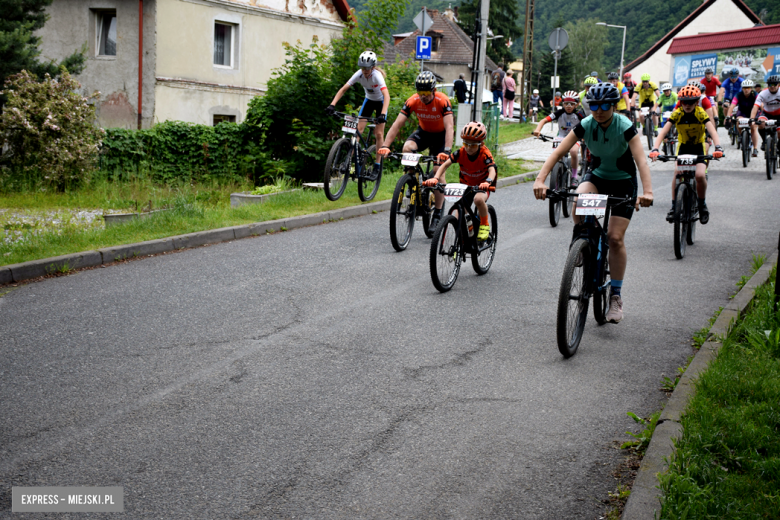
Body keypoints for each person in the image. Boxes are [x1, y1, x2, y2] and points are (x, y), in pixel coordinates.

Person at [533, 82, 654, 323]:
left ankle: (616, 296)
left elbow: (641, 161)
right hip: (597, 177)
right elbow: (559, 153)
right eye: (593, 105)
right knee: (579, 198)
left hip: (623, 182)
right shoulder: (587, 124)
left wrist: (648, 192)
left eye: (604, 105)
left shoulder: (625, 126)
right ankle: (583, 240)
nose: (598, 110)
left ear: (614, 105)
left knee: (615, 238)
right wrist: (540, 179)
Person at [378, 70, 454, 229]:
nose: (423, 96)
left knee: (438, 172)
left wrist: (446, 151)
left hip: (440, 137)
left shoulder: (442, 101)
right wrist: (385, 146)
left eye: (426, 92)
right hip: (424, 133)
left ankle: (438, 213)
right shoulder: (413, 101)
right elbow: (397, 125)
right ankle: (412, 180)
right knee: (407, 148)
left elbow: (449, 127)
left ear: (433, 90)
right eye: (420, 92)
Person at [650, 85, 723, 226]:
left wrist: (718, 146)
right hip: (683, 147)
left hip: (698, 147)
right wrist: (655, 148)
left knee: (700, 175)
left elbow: (712, 131)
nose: (687, 105)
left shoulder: (700, 113)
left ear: (697, 102)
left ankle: (702, 205)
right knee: (677, 173)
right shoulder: (677, 113)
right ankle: (673, 206)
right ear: (681, 102)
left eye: (691, 102)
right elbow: (663, 132)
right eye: (684, 102)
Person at [423, 122, 496, 240]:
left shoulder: (484, 154)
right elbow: (444, 165)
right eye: (465, 143)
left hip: (481, 185)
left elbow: (492, 170)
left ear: (480, 144)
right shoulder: (461, 152)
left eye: (472, 145)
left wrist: (487, 182)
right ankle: (461, 244)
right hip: (466, 186)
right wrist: (435, 178)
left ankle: (484, 224)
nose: (468, 148)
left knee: (478, 199)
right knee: (459, 217)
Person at [326, 50, 390, 179]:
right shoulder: (359, 74)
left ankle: (377, 165)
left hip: (380, 103)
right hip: (369, 102)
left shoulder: (377, 76)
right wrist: (332, 104)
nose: (365, 70)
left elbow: (386, 96)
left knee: (378, 133)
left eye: (367, 68)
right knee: (358, 131)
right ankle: (348, 162)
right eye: (362, 68)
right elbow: (344, 89)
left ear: (372, 67)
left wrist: (382, 114)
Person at [533, 90, 583, 185]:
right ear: (563, 104)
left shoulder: (579, 114)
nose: (568, 106)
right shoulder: (559, 113)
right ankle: (555, 173)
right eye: (566, 104)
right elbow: (544, 120)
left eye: (571, 104)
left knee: (573, 151)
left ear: (576, 105)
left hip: (574, 138)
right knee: (555, 154)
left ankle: (574, 176)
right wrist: (538, 130)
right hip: (561, 137)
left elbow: (588, 125)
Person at [750, 75, 780, 155]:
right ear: (768, 85)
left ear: (778, 84)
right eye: (770, 84)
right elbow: (755, 106)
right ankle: (764, 141)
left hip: (779, 114)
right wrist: (752, 119)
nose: (772, 86)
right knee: (761, 124)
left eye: (774, 84)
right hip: (767, 113)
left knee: (779, 131)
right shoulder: (763, 93)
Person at [726, 79, 757, 156]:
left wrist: (762, 113)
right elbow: (732, 106)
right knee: (738, 121)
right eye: (744, 88)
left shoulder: (755, 94)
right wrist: (728, 116)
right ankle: (741, 135)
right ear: (742, 88)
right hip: (742, 112)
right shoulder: (738, 95)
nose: (746, 90)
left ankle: (755, 148)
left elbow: (761, 104)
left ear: (751, 88)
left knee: (753, 127)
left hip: (752, 112)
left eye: (748, 88)